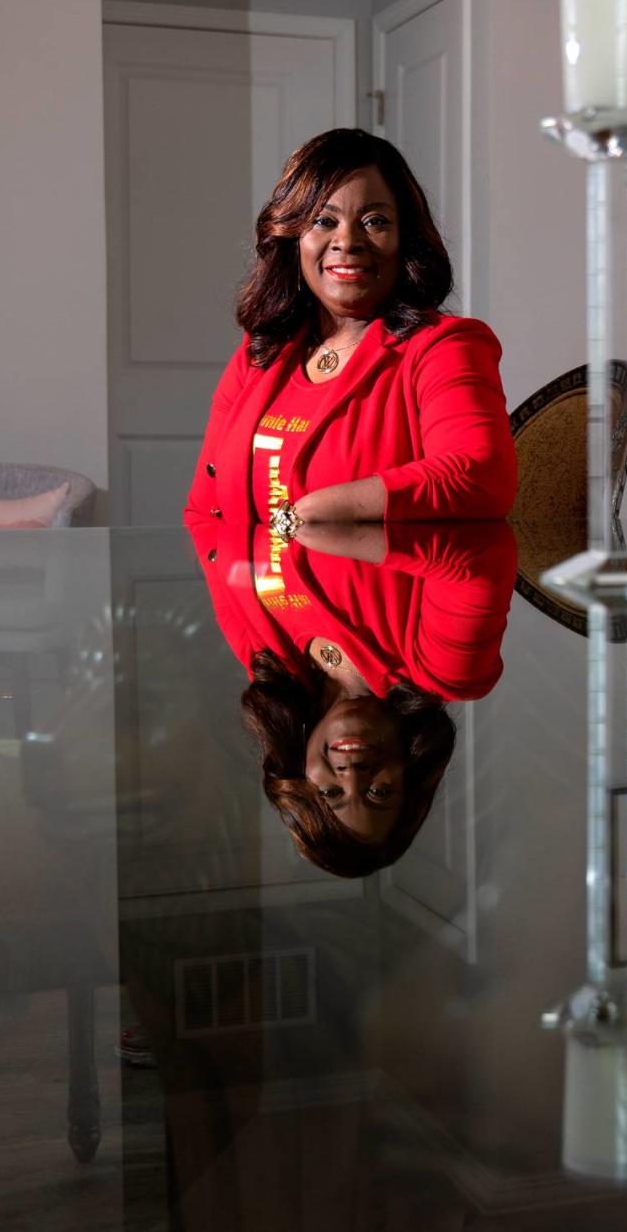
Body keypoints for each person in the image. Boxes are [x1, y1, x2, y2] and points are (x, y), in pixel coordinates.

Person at [185, 127, 517, 532]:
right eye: (324, 220)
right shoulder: (260, 352)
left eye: (374, 221)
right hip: (248, 591)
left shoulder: (444, 347)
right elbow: (205, 511)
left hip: (379, 592)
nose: (347, 241)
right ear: (294, 237)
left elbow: (480, 476)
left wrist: (305, 514)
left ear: (404, 238)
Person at [189, 517, 517, 878]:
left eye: (330, 794)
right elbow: (481, 548)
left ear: (301, 777)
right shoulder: (446, 669)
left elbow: (207, 519)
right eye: (379, 793)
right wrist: (336, 526)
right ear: (409, 773)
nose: (351, 775)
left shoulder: (266, 660)